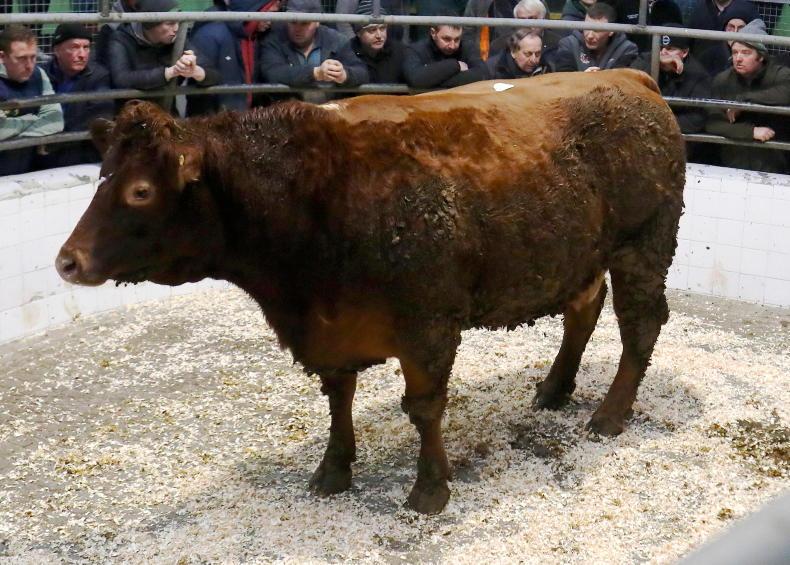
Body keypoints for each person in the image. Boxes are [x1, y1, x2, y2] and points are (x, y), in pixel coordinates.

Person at [706, 21, 790, 174]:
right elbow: (713, 123)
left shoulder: (779, 75)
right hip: (731, 163)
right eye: (735, 52)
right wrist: (750, 132)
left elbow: (786, 93)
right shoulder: (723, 80)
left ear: (761, 56)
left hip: (776, 165)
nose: (738, 58)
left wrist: (745, 100)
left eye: (746, 53)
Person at [108, 0, 220, 113]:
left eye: (178, 22)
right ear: (150, 24)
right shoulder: (121, 39)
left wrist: (195, 71)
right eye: (170, 23)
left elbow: (214, 74)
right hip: (132, 115)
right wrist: (169, 72)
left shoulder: (177, 39)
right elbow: (122, 79)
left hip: (167, 114)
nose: (176, 28)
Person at [259, 0, 369, 102]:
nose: (298, 29)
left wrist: (344, 75)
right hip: (288, 109)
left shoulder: (335, 40)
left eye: (305, 23)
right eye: (292, 22)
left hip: (330, 109)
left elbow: (362, 72)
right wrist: (315, 73)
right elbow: (272, 73)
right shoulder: (275, 40)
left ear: (317, 22)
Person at [40, 24, 114, 168]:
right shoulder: (41, 74)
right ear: (57, 50)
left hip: (81, 154)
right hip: (41, 154)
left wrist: (57, 138)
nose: (82, 54)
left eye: (86, 47)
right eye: (74, 47)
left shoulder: (98, 75)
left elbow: (100, 114)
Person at [190, 0, 281, 114]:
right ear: (255, 10)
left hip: (241, 116)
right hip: (214, 118)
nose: (270, 22)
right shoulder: (209, 35)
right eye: (269, 14)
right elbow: (199, 91)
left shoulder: (255, 36)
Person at [0, 25, 63, 176]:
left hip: (24, 171)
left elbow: (55, 120)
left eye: (33, 57)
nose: (29, 66)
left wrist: (13, 131)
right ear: (2, 57)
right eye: (21, 58)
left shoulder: (38, 74)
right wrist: (33, 118)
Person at [554, 2, 638, 72]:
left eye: (597, 30)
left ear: (611, 31)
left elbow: (621, 81)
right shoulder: (568, 45)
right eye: (586, 28)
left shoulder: (626, 50)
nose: (590, 35)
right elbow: (563, 78)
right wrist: (582, 78)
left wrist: (596, 79)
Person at [403, 24, 489, 88]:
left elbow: (483, 74)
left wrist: (431, 79)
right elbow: (416, 80)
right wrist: (456, 65)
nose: (452, 46)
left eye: (457, 39)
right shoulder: (415, 50)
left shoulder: (466, 47)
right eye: (446, 39)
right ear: (433, 33)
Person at [348, 0, 407, 84]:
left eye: (382, 28)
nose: (379, 35)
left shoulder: (400, 51)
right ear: (358, 33)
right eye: (372, 30)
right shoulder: (348, 51)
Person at [696, 7, 757, 76]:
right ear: (724, 29)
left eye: (741, 28)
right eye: (731, 27)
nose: (735, 32)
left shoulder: (753, 56)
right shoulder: (709, 55)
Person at [335, 0, 408, 41]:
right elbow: (343, 21)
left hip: (393, 45)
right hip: (365, 47)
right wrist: (356, 46)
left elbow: (404, 20)